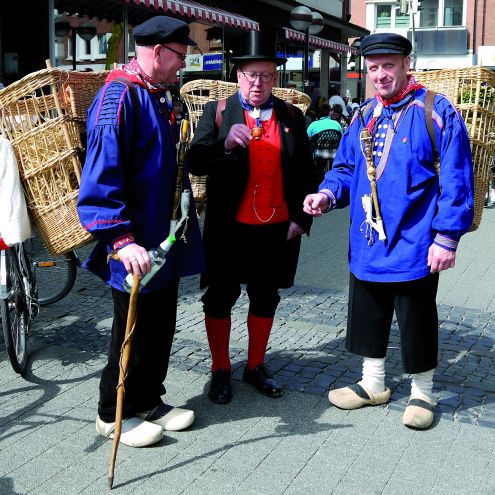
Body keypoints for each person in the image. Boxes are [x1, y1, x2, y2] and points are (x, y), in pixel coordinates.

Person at [303, 32, 474, 430]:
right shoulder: (363, 115)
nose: (380, 75)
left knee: (415, 314)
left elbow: (456, 177)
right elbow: (346, 168)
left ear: (405, 65)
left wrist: (446, 237)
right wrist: (327, 194)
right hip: (369, 239)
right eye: (373, 67)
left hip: (416, 239)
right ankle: (373, 383)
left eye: (388, 66)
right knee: (368, 308)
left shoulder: (435, 111)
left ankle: (423, 391)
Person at [77, 16, 205, 447]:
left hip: (163, 236)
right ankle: (112, 414)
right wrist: (120, 238)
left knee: (161, 321)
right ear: (155, 52)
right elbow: (100, 177)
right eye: (179, 57)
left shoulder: (160, 96)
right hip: (132, 240)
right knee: (130, 327)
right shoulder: (118, 97)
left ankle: (148, 399)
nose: (181, 66)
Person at [187, 30, 318, 405]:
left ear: (275, 78)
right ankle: (220, 369)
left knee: (265, 297)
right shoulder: (219, 112)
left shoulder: (292, 116)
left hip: (276, 229)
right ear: (238, 76)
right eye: (250, 75)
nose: (258, 82)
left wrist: (300, 219)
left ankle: (256, 365)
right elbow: (195, 159)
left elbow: (308, 174)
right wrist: (225, 144)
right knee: (220, 297)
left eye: (266, 75)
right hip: (229, 229)